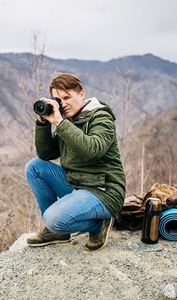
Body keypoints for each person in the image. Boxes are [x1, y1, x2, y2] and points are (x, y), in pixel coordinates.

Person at [25, 73, 126, 251]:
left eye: (67, 97)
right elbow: (47, 153)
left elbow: (92, 150)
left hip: (104, 190)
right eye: (58, 99)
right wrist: (44, 124)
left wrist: (60, 123)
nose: (63, 104)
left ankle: (98, 224)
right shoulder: (68, 120)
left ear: (81, 94)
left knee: (53, 219)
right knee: (34, 167)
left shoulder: (101, 117)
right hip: (77, 185)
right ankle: (56, 232)